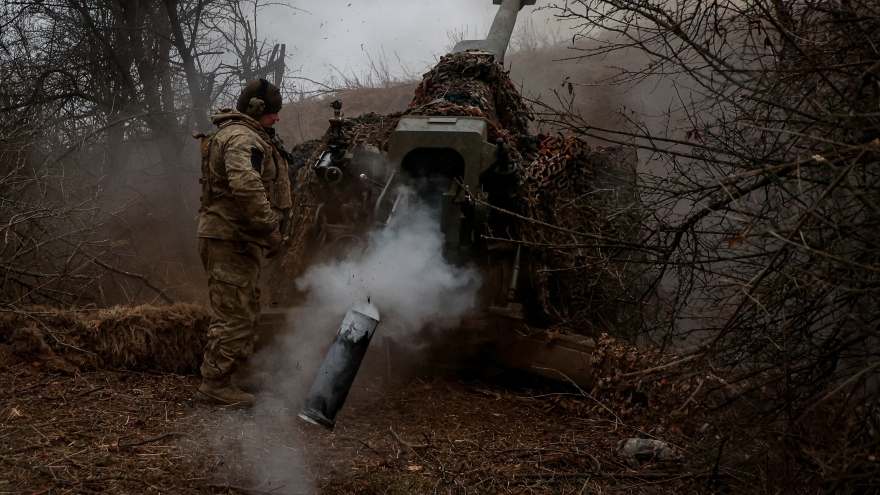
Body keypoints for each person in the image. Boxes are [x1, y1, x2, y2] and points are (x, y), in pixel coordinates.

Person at [194, 78, 292, 407]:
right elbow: (246, 188)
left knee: (246, 306)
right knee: (233, 314)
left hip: (237, 237)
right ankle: (215, 384)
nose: (277, 117)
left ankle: (239, 370)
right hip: (229, 237)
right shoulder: (240, 137)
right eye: (273, 111)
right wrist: (270, 229)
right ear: (256, 108)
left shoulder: (248, 135)